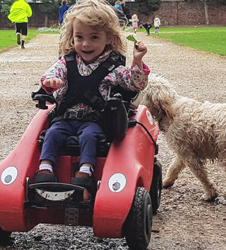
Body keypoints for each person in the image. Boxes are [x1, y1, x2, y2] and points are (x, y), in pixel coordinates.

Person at [34, 0, 150, 201]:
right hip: (65, 118)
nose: (86, 44)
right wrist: (51, 82)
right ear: (72, 37)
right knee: (51, 133)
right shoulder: (66, 63)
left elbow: (134, 83)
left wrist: (137, 61)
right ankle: (45, 170)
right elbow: (52, 73)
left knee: (88, 136)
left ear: (109, 39)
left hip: (94, 120)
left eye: (94, 37)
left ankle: (85, 172)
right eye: (79, 37)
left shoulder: (112, 68)